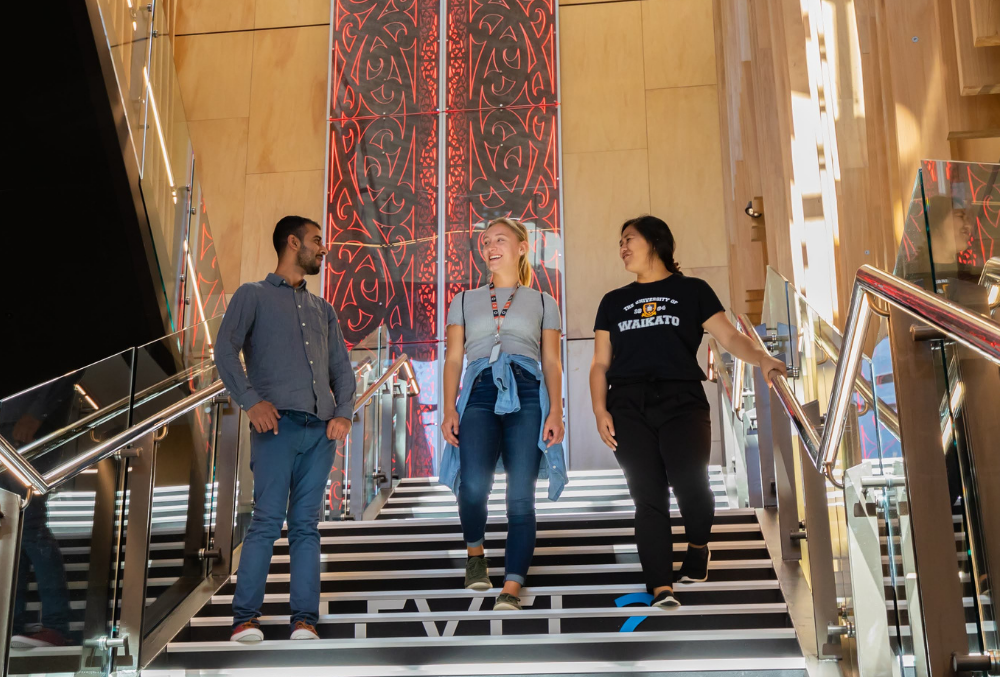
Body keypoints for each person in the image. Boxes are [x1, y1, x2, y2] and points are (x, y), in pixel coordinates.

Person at [589, 215, 786, 609]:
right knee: (648, 496)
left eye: (629, 239)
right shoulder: (612, 302)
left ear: (656, 242)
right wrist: (599, 409)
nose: (623, 247)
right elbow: (599, 364)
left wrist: (763, 358)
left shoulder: (692, 291)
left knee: (691, 486)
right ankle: (661, 587)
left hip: (682, 400)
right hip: (627, 404)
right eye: (621, 242)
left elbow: (729, 336)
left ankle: (698, 544)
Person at [215, 216, 356, 642]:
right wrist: (250, 400)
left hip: (320, 432)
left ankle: (304, 620)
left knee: (306, 526)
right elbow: (224, 350)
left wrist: (344, 412)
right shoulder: (251, 296)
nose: (323, 247)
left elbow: (341, 369)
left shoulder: (323, 309)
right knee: (266, 520)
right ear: (292, 243)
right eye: (317, 240)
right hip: (275, 426)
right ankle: (245, 618)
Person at [439, 217, 567, 612]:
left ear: (522, 247)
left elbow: (551, 359)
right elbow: (454, 357)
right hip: (478, 392)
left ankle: (511, 585)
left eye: (499, 239)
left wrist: (557, 411)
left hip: (528, 392)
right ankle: (475, 553)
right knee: (474, 483)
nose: (490, 246)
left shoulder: (545, 302)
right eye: (485, 242)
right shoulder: (463, 300)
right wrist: (447, 408)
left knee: (520, 494)